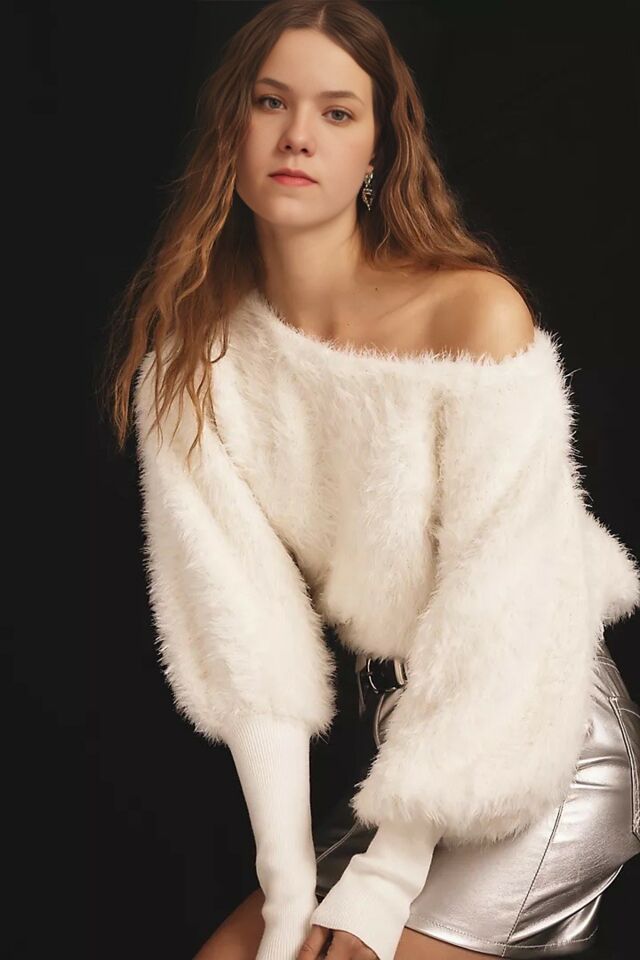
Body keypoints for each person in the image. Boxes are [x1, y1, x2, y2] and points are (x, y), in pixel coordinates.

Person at [101, 2, 640, 958]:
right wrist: (287, 888)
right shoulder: (191, 367)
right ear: (231, 128)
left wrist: (386, 879)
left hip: (539, 732)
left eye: (338, 112)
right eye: (271, 102)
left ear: (379, 150)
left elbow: (504, 609)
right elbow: (243, 639)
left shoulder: (470, 316)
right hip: (409, 759)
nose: (298, 135)